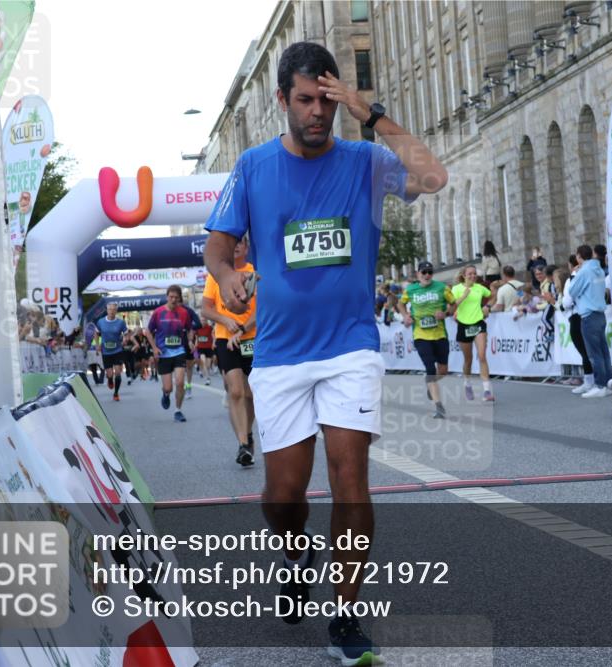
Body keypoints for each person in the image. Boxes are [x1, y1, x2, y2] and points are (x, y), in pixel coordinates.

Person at [202, 41, 446, 665]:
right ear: (282, 100)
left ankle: (345, 614)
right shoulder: (253, 167)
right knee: (283, 496)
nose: (317, 113)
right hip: (281, 355)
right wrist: (228, 276)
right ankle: (294, 554)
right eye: (306, 101)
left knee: (349, 477)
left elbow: (433, 176)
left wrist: (371, 113)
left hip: (349, 347)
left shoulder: (364, 158)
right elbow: (219, 246)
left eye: (327, 102)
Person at [202, 236, 258, 467]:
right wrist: (226, 320)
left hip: (252, 338)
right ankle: (243, 444)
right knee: (235, 391)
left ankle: (249, 433)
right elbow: (206, 309)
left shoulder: (254, 272)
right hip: (226, 339)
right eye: (231, 242)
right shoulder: (217, 276)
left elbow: (263, 309)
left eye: (240, 243)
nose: (235, 246)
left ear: (246, 247)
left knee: (250, 394)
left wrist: (243, 328)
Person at [397, 261, 455, 418]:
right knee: (430, 369)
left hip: (440, 335)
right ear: (418, 274)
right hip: (421, 336)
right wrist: (406, 316)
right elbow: (400, 304)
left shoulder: (442, 288)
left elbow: (453, 303)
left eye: (430, 272)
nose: (427, 275)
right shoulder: (410, 290)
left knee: (443, 370)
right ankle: (438, 406)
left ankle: (430, 383)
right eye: (424, 272)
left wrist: (446, 313)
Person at [568, 245, 612, 398]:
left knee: (594, 353)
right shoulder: (599, 269)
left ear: (579, 256)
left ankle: (600, 384)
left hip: (588, 314)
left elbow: (572, 291)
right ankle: (608, 383)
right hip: (600, 313)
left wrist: (575, 272)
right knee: (603, 351)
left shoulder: (584, 271)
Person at [147, 285, 195, 422]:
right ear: (167, 296)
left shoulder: (184, 313)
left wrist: (190, 341)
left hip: (179, 351)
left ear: (179, 298)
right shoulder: (158, 312)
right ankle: (166, 394)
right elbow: (148, 332)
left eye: (176, 297)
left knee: (180, 382)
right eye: (171, 297)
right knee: (168, 387)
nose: (173, 299)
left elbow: (190, 329)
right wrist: (154, 348)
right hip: (163, 353)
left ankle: (178, 410)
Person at [452, 265, 495, 402]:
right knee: (468, 360)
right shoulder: (457, 289)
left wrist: (487, 306)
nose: (472, 276)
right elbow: (451, 306)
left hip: (478, 323)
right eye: (470, 274)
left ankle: (487, 391)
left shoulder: (479, 288)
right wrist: (463, 296)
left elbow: (493, 295)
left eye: (474, 274)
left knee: (482, 356)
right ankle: (467, 384)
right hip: (463, 325)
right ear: (464, 275)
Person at [562, 254, 596, 393]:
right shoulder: (592, 274)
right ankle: (592, 380)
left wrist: (563, 304)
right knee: (591, 350)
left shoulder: (573, 279)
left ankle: (590, 381)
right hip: (589, 314)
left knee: (584, 350)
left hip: (577, 315)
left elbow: (567, 301)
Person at [94, 303, 127, 402]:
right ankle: (109, 379)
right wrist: (97, 344)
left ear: (116, 311)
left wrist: (125, 339)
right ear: (107, 310)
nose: (112, 311)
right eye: (110, 309)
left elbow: (125, 333)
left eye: (114, 310)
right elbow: (96, 333)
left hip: (117, 350)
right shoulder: (101, 322)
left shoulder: (121, 322)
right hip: (106, 351)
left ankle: (116, 393)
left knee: (117, 372)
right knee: (109, 374)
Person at [195, 319, 215, 385]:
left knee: (208, 365)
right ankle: (208, 378)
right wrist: (195, 345)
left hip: (209, 348)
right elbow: (196, 337)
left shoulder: (209, 328)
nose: (203, 322)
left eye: (204, 320)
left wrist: (213, 343)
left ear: (206, 321)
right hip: (200, 348)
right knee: (203, 361)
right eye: (202, 320)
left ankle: (203, 371)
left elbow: (213, 336)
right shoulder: (197, 328)